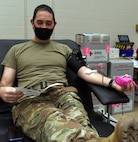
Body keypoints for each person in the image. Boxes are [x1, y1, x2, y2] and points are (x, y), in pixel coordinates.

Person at [0, 4, 137, 142]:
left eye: (49, 23)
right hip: (31, 99)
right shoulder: (16, 50)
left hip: (63, 94)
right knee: (53, 121)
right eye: (40, 22)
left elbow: (85, 72)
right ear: (32, 22)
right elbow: (5, 83)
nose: (44, 27)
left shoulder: (63, 49)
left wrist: (113, 82)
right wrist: (3, 91)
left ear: (54, 24)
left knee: (80, 121)